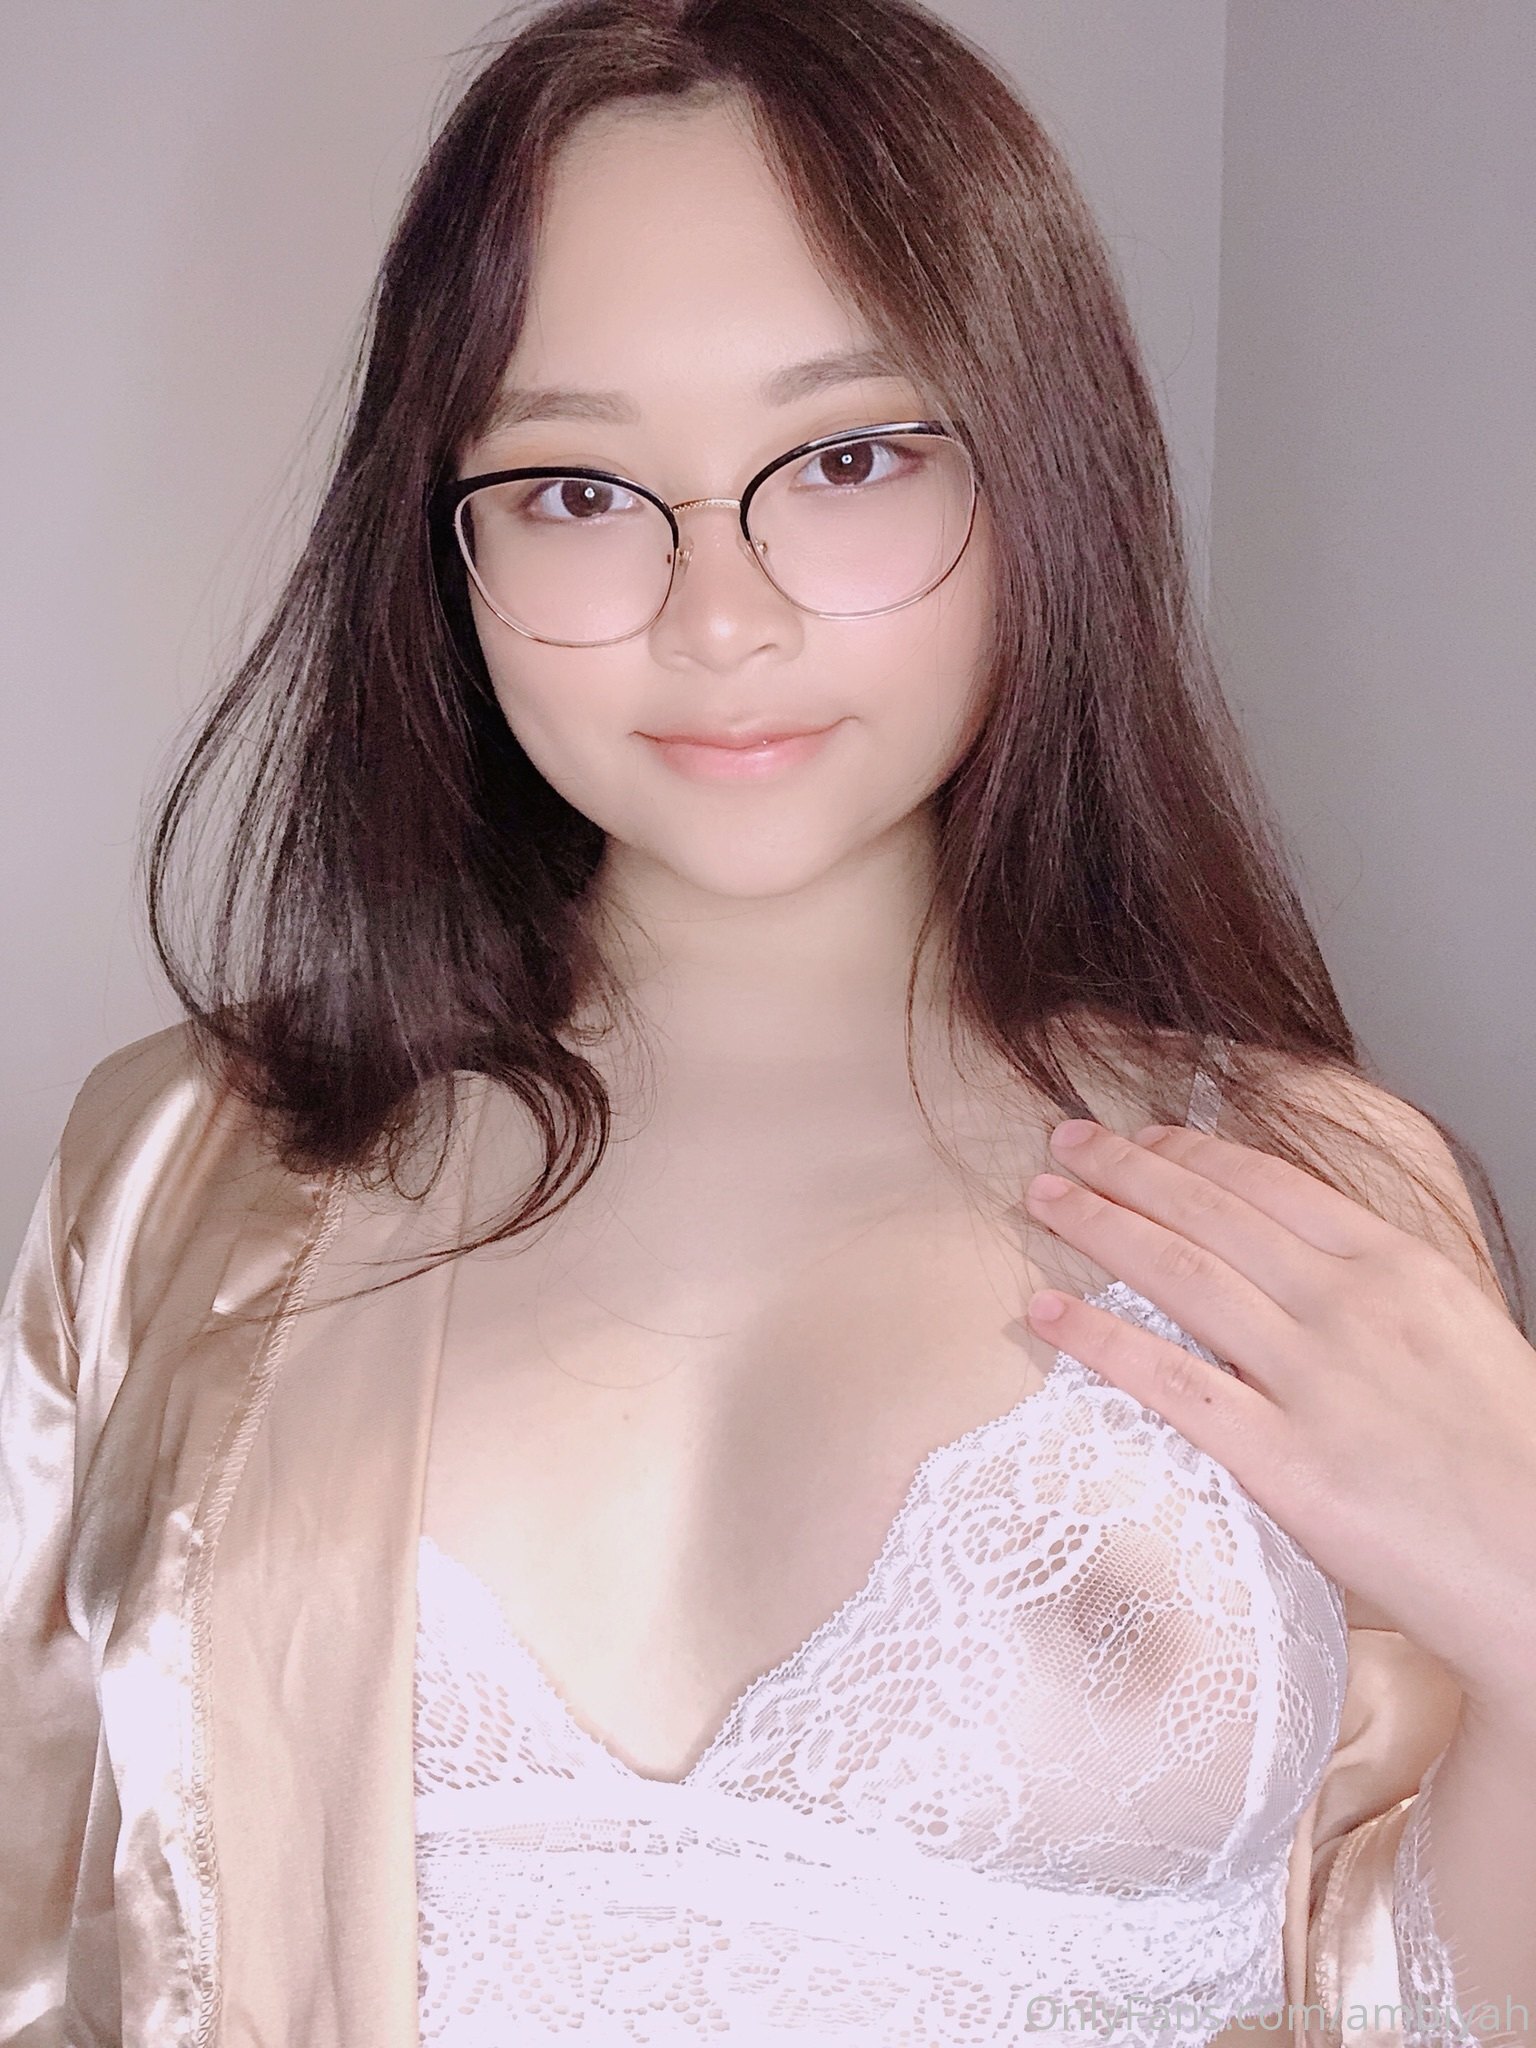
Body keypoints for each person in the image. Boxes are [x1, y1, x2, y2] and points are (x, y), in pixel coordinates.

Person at [3, 1, 1534, 2044]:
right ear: (441, 540)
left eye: (847, 460)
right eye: (575, 490)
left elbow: (1411, 1994)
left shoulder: (1317, 1193)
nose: (718, 618)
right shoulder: (178, 1167)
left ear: (1042, 475)